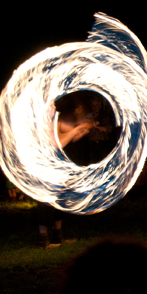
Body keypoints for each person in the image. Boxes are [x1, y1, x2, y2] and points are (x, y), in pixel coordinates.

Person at [37, 100, 95, 248]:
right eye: (51, 104)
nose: (54, 106)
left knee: (60, 199)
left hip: (57, 165)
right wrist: (77, 130)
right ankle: (43, 238)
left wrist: (81, 128)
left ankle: (58, 236)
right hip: (45, 166)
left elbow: (68, 134)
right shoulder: (41, 121)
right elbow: (58, 142)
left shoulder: (53, 118)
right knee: (46, 202)